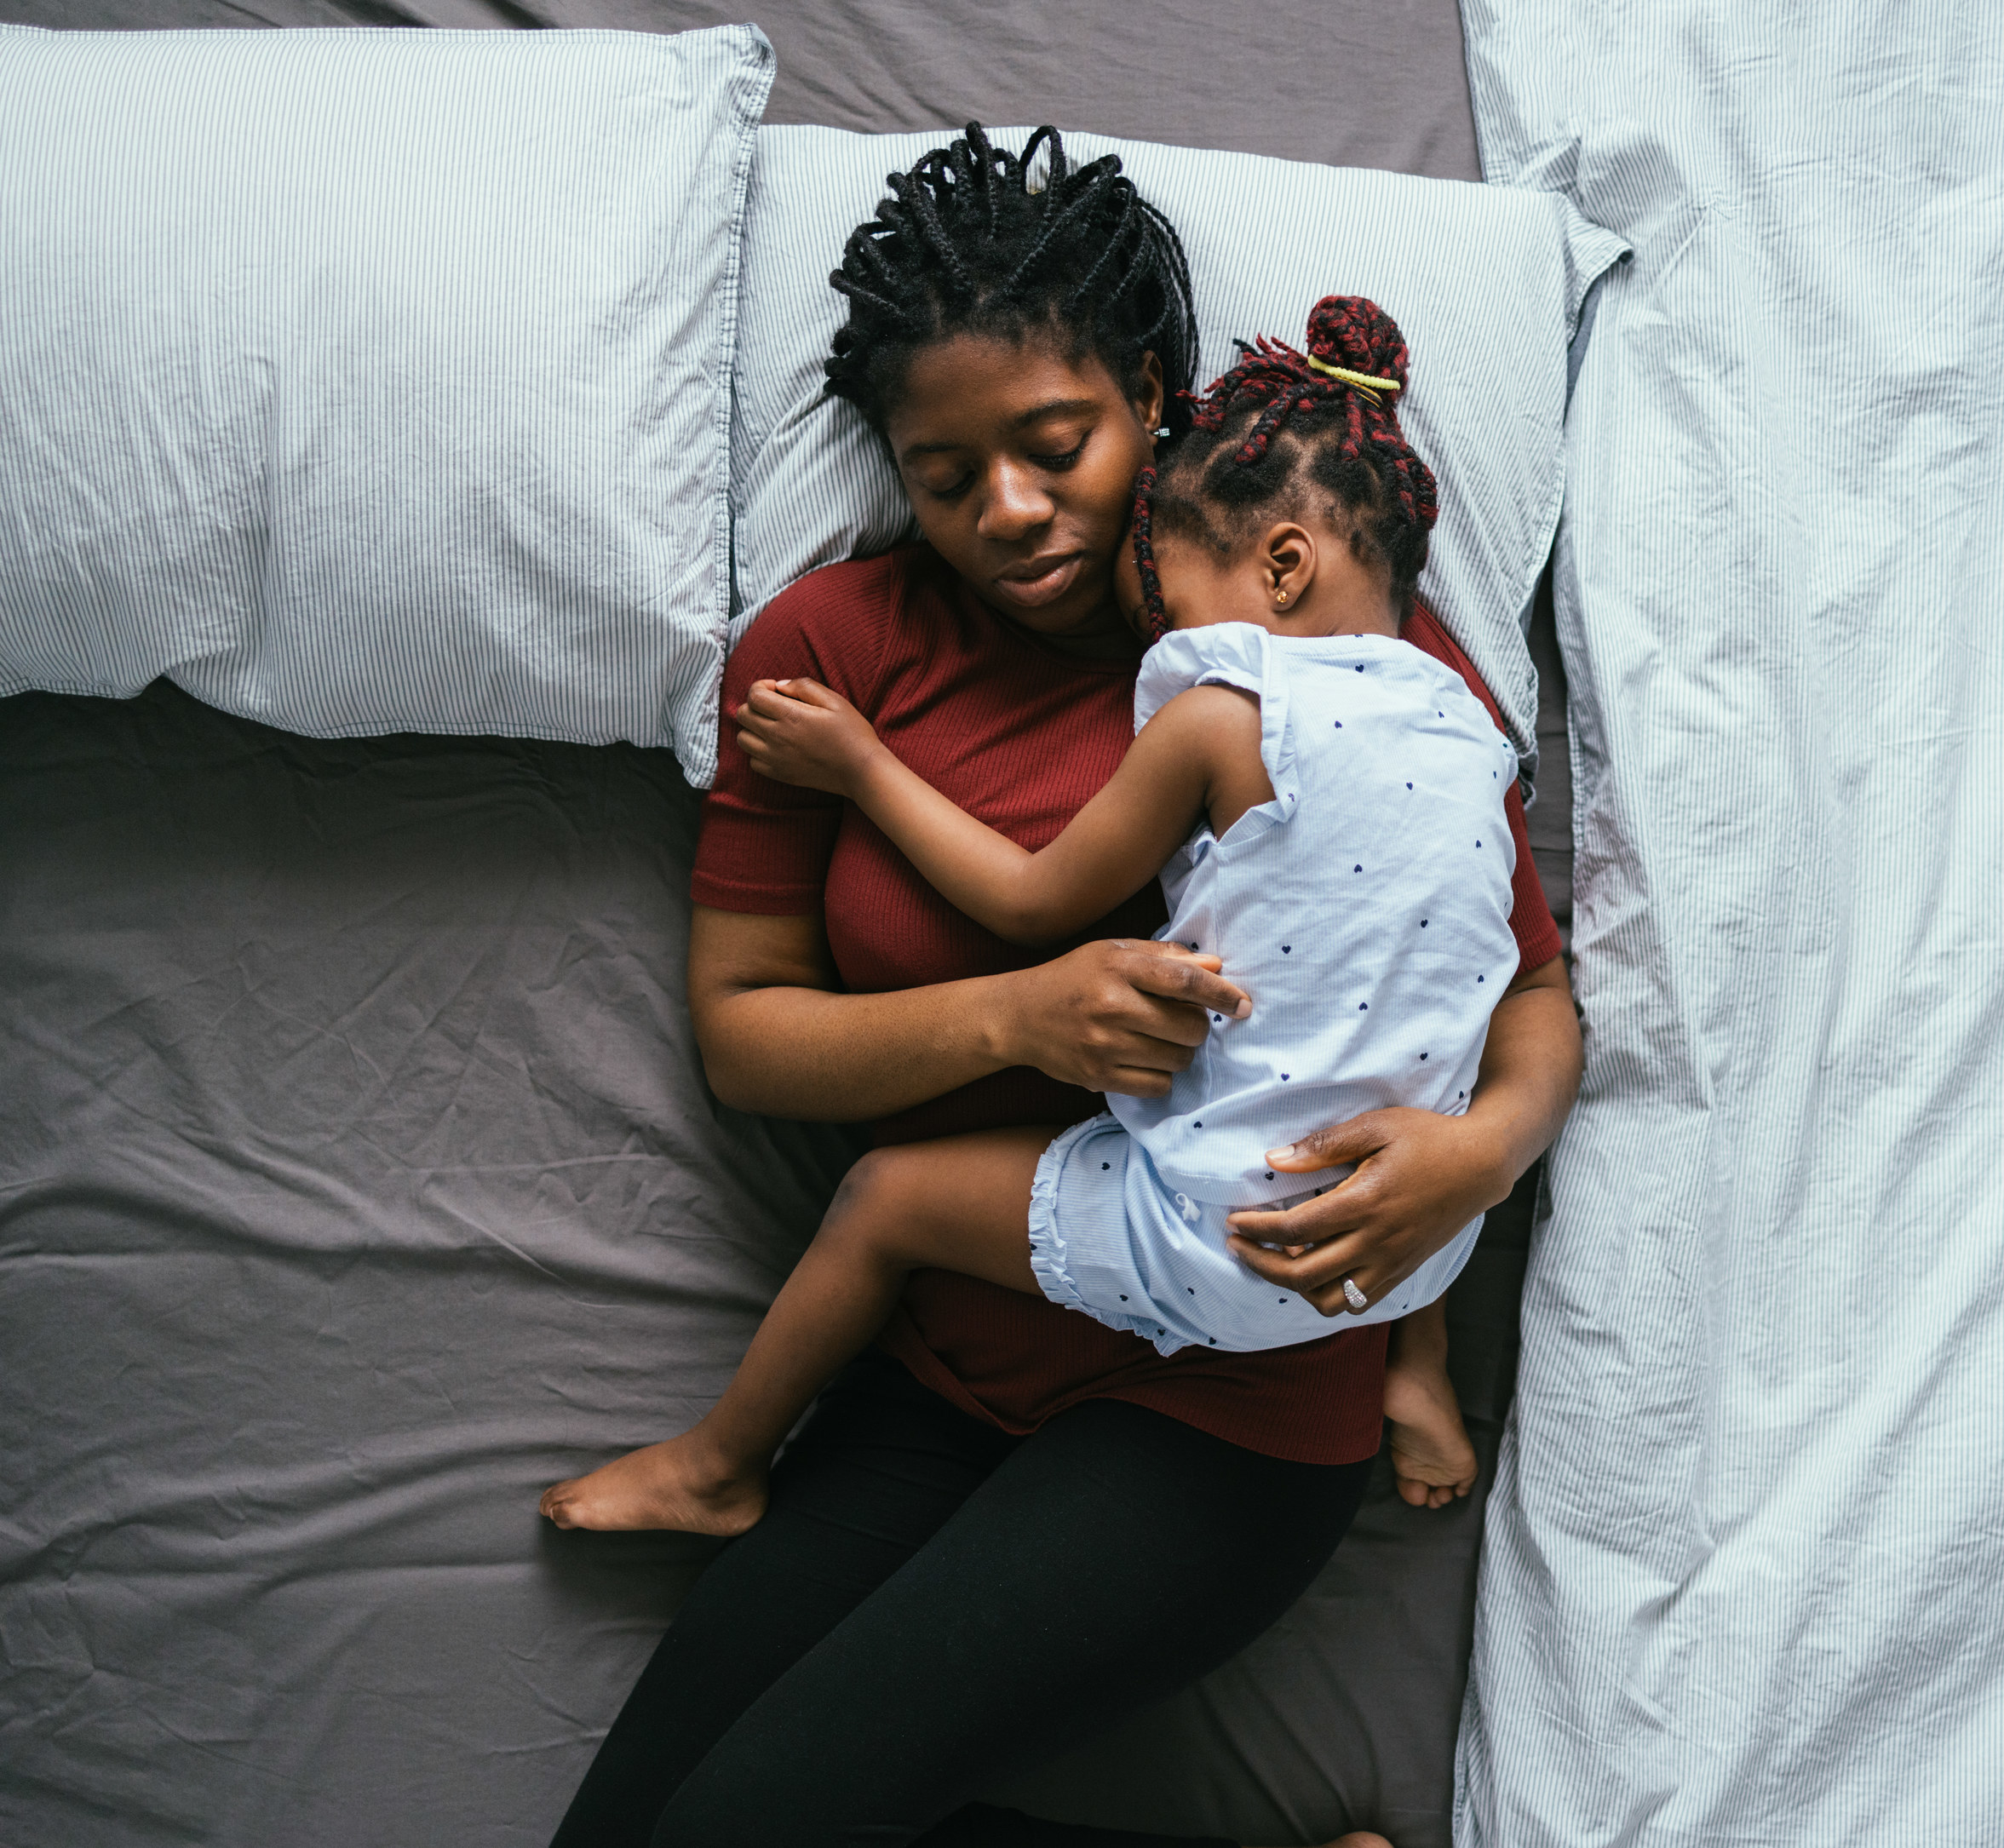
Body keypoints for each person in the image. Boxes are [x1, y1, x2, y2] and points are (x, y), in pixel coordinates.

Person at [544, 128, 1580, 1848]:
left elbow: (1525, 989)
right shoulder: (826, 662)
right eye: (944, 474)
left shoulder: (1326, 647)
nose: (1008, 511)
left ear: (1159, 404)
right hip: (943, 1360)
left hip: (1234, 1397)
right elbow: (744, 1033)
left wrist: (1486, 1154)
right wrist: (1016, 1018)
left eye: (1056, 445)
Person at [540, 300, 1507, 1545]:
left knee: (888, 1199)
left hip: (1223, 1241)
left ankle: (722, 1462)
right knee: (1397, 1044)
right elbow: (1473, 987)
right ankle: (1414, 1366)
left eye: (1057, 450)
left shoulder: (1222, 708)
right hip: (1399, 1255)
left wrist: (866, 770)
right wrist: (1467, 1177)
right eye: (940, 477)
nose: (1151, 621)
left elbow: (1029, 895)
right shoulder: (1463, 726)